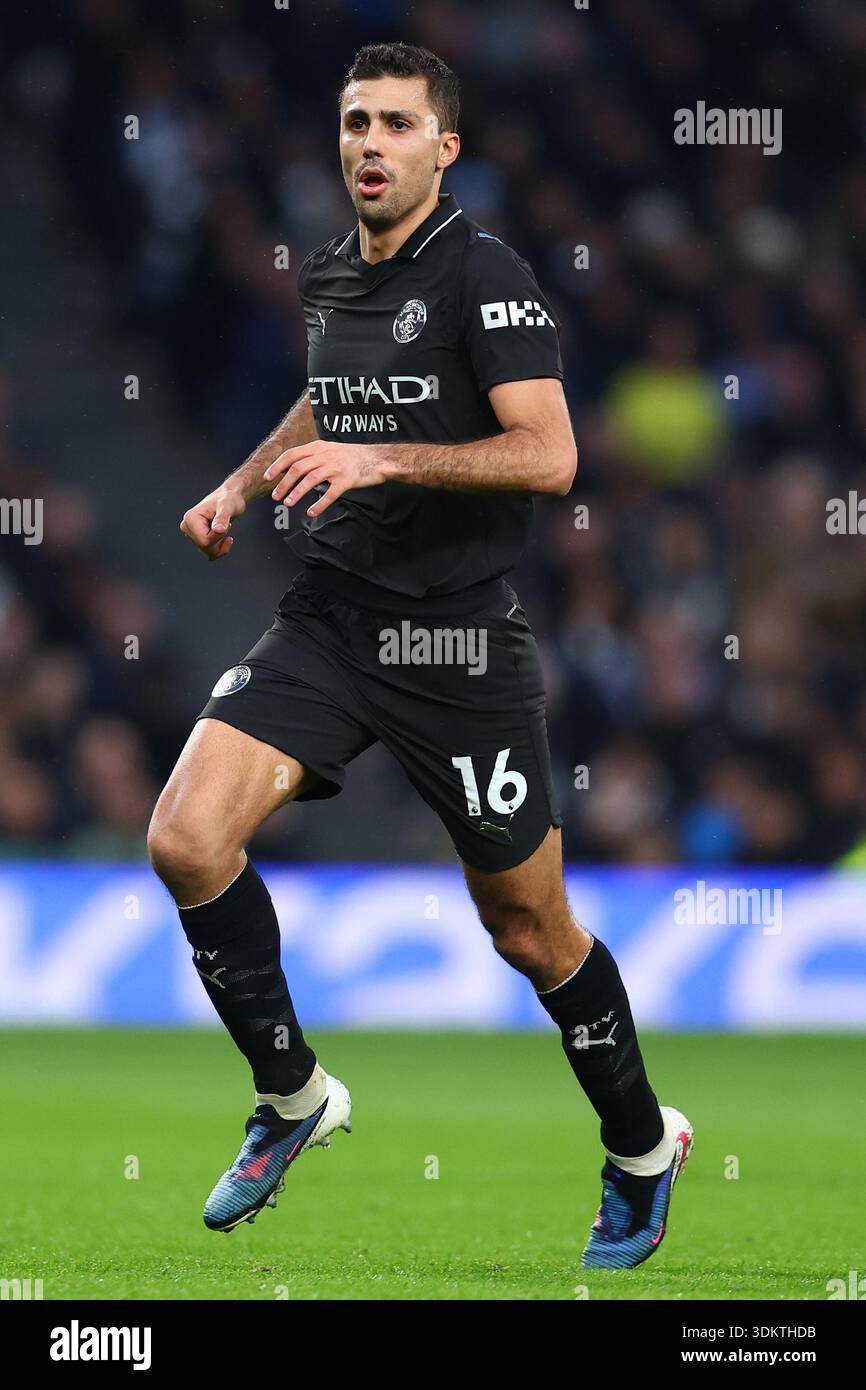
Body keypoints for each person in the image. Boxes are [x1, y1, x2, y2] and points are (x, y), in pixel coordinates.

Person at [147, 41, 692, 1268]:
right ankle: (292, 1096)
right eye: (353, 122)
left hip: (456, 642)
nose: (368, 145)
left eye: (395, 124)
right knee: (184, 837)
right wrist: (242, 482)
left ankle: (641, 1145)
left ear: (444, 148)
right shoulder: (335, 271)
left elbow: (547, 454)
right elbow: (331, 394)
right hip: (335, 617)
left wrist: (382, 459)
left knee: (526, 928)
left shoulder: (484, 275)